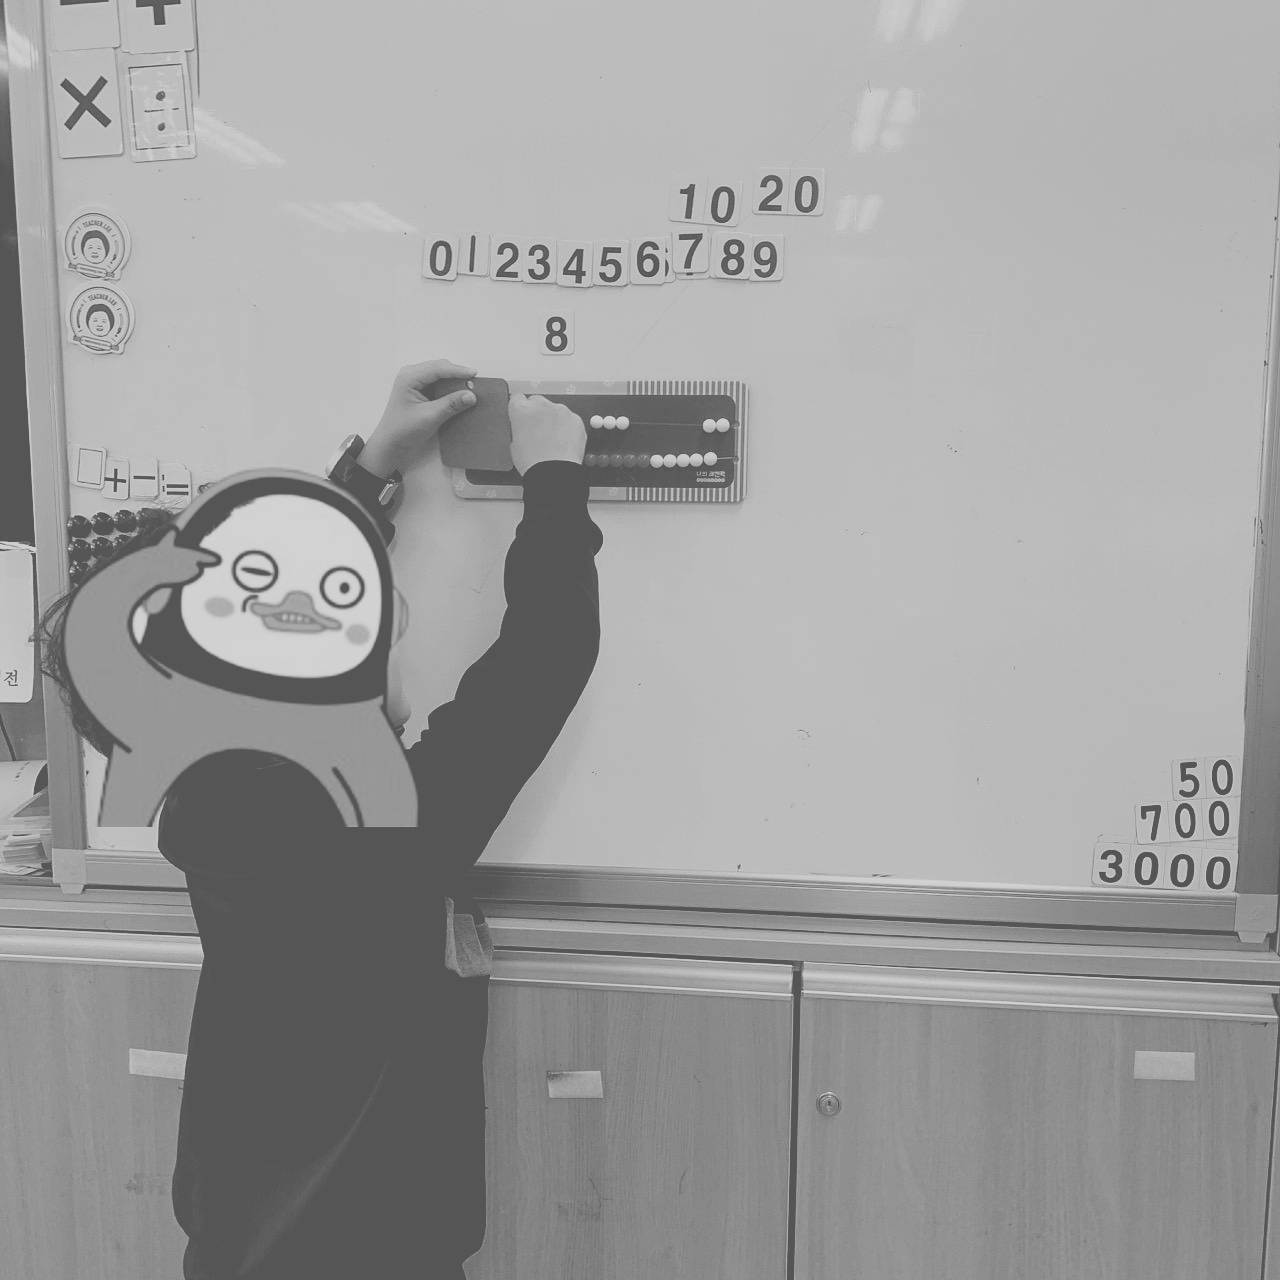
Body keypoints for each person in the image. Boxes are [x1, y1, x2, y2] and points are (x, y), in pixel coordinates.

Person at [37, 359, 602, 1278]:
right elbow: (547, 653)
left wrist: (372, 468)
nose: (397, 625)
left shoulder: (203, 792)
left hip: (234, 1241)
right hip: (378, 1251)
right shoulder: (386, 829)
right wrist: (555, 481)